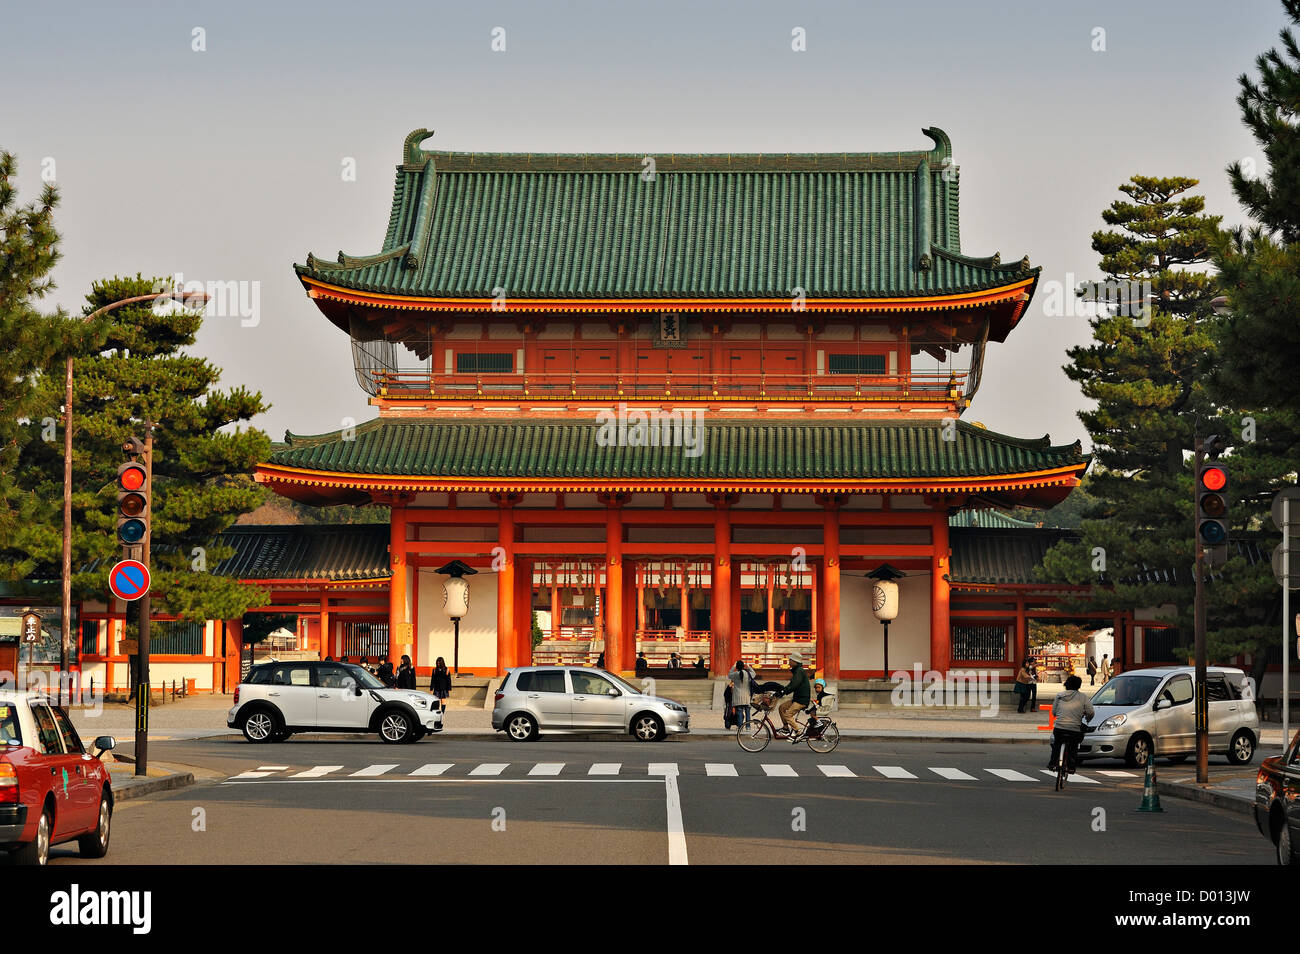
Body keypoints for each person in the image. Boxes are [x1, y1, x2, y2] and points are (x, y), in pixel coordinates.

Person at [1048, 675, 1096, 774]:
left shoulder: (1059, 695)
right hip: (1074, 729)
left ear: (1066, 684)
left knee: (1057, 744)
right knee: (1073, 746)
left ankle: (1052, 763)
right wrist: (1087, 718)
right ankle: (1071, 766)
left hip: (1059, 728)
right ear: (1079, 685)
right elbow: (1091, 712)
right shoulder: (1083, 697)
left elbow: (1053, 712)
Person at [775, 652, 811, 741]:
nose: (789, 661)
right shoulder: (797, 671)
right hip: (797, 698)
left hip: (801, 700)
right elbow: (791, 684)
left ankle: (798, 732)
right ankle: (786, 728)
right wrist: (782, 691)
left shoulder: (799, 671)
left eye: (790, 660)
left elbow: (794, 685)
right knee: (782, 707)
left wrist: (783, 692)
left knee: (788, 715)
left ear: (795, 661)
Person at [728, 659, 757, 729]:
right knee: (747, 712)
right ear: (743, 666)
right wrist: (749, 666)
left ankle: (740, 727)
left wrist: (734, 666)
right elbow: (754, 673)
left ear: (737, 667)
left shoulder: (735, 674)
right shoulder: (748, 674)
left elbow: (729, 675)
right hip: (747, 696)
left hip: (738, 696)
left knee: (739, 712)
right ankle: (748, 726)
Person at [429, 657, 451, 726]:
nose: (438, 664)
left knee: (443, 702)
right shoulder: (434, 670)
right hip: (437, 688)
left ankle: (442, 714)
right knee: (436, 701)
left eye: (439, 663)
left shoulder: (447, 670)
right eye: (437, 663)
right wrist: (431, 688)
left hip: (444, 688)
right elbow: (433, 680)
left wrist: (448, 688)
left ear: (442, 663)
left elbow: (448, 680)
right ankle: (437, 714)